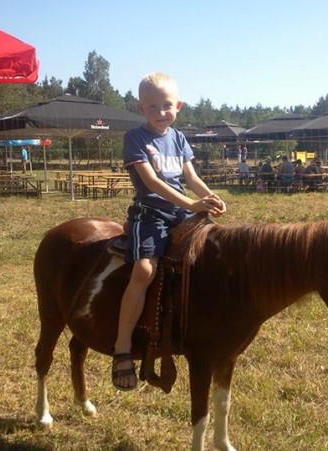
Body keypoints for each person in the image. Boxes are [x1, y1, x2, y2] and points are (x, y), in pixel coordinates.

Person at [113, 72, 226, 391]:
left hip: (183, 210)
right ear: (141, 109)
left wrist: (208, 197)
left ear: (178, 105)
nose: (160, 112)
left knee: (213, 256)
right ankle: (122, 346)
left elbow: (191, 176)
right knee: (144, 269)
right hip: (150, 214)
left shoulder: (178, 138)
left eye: (166, 105)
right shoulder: (135, 138)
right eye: (152, 106)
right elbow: (151, 182)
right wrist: (192, 204)